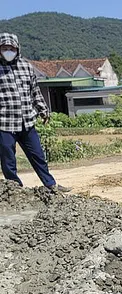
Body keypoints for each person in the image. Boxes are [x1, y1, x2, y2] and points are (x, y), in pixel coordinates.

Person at [0, 33, 70, 192]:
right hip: (4, 123)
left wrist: (43, 110)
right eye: (4, 48)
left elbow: (35, 91)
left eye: (11, 48)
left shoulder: (26, 66)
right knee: (8, 160)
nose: (8, 51)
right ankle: (14, 189)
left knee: (38, 156)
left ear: (17, 49)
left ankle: (51, 185)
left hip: (27, 121)